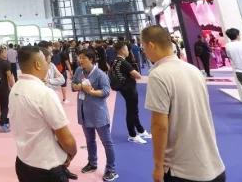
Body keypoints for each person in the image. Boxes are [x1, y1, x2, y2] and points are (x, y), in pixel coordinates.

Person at [142, 25, 226, 182]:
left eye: (144, 47)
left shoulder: (158, 75)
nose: (144, 52)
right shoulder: (193, 70)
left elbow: (159, 125)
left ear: (151, 45)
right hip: (214, 165)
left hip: (181, 171)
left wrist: (158, 166)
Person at [10, 46, 78, 182]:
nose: (48, 65)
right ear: (37, 64)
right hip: (47, 168)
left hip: (23, 162)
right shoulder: (44, 93)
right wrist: (72, 153)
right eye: (47, 62)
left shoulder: (15, 88)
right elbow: (65, 138)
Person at [72, 49, 117, 181]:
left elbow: (106, 92)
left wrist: (91, 92)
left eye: (83, 58)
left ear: (91, 59)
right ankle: (92, 163)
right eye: (79, 57)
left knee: (107, 142)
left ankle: (111, 169)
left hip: (98, 113)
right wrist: (79, 86)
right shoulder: (78, 71)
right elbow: (73, 84)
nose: (80, 60)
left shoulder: (100, 74)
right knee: (89, 140)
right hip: (83, 112)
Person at [111, 42, 150, 144]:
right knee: (132, 111)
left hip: (124, 88)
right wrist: (132, 75)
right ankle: (132, 135)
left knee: (133, 110)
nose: (128, 51)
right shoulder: (124, 63)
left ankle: (140, 130)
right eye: (126, 49)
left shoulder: (115, 61)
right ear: (121, 50)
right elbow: (138, 75)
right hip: (129, 89)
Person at [0, 46, 15, 132]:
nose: (6, 53)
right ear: (1, 53)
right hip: (4, 87)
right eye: (5, 52)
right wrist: (13, 86)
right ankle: (2, 124)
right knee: (5, 106)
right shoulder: (6, 63)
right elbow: (9, 76)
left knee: (2, 105)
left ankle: (4, 121)